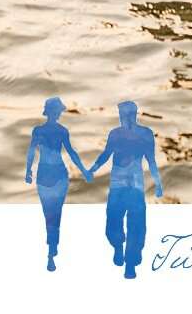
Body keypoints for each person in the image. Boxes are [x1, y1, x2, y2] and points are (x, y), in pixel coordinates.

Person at [84, 101, 163, 279]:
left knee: (130, 223)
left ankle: (129, 262)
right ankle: (121, 250)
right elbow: (106, 154)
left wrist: (158, 183)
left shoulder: (141, 134)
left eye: (121, 115)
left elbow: (150, 160)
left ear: (130, 115)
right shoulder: (121, 134)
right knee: (120, 221)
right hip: (125, 185)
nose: (120, 118)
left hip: (129, 186)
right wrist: (92, 169)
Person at [24, 96, 89, 271]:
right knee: (54, 213)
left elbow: (32, 152)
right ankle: (52, 245)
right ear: (54, 112)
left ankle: (52, 247)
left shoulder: (40, 131)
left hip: (48, 173)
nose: (59, 113)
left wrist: (28, 171)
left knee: (50, 213)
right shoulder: (60, 131)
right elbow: (71, 153)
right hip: (56, 174)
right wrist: (84, 171)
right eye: (58, 110)